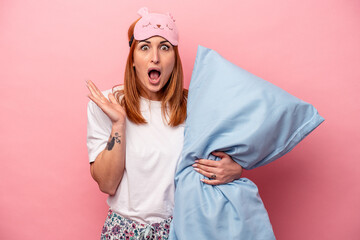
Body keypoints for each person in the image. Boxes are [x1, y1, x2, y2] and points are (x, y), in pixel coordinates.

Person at [86, 7, 243, 240]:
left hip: (181, 230)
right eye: (145, 47)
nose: (155, 57)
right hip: (123, 232)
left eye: (165, 47)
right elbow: (108, 184)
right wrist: (119, 123)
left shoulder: (195, 107)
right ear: (133, 60)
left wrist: (235, 170)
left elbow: (220, 159)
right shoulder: (107, 104)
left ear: (174, 60)